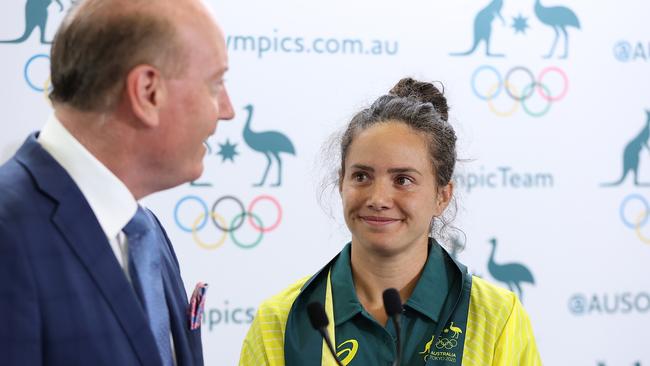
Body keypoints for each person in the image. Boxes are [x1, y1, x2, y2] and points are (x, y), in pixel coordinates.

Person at [239, 78, 541, 365]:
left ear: (442, 195)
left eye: (403, 179)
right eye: (361, 176)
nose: (378, 198)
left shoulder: (496, 317)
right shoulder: (281, 320)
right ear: (341, 182)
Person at [0, 0, 234, 364]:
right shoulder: (9, 231)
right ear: (147, 92)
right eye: (215, 83)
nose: (227, 109)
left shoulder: (145, 230)